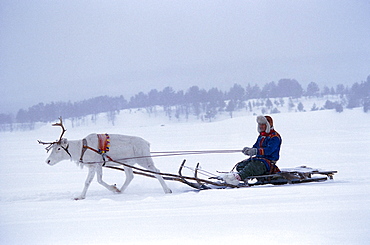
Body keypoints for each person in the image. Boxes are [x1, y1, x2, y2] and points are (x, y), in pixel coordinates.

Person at [221, 115, 282, 185]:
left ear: (268, 125)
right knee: (240, 165)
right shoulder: (261, 136)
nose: (261, 126)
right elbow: (256, 146)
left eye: (263, 125)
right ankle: (243, 175)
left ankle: (236, 178)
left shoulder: (275, 137)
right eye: (260, 124)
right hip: (258, 160)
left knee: (251, 167)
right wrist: (249, 150)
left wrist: (256, 151)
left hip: (268, 162)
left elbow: (269, 150)